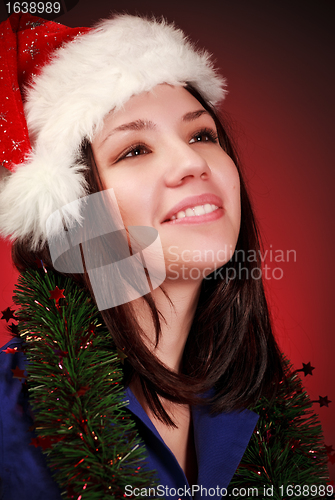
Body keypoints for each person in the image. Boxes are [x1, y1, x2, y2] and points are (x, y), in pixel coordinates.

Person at [0, 12, 329, 500]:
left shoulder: (264, 403)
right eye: (134, 150)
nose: (193, 162)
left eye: (202, 135)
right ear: (75, 212)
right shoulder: (10, 412)